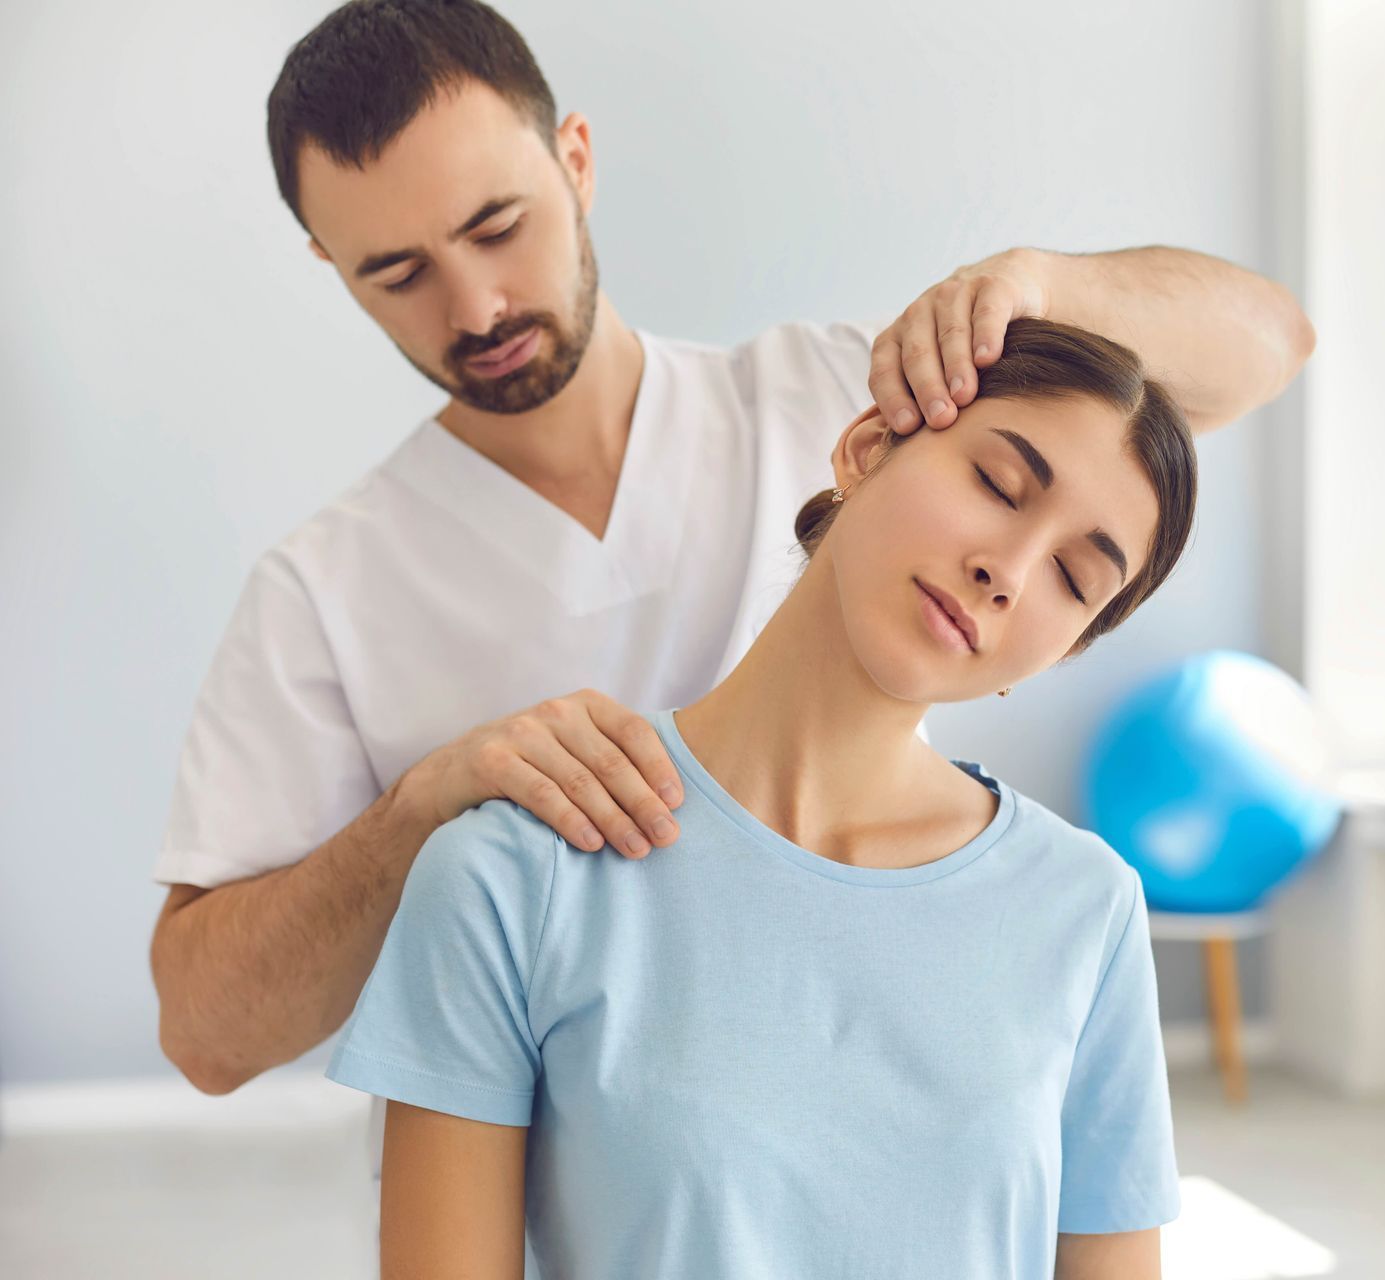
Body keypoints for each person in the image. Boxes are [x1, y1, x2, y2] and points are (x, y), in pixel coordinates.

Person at [148, 0, 1312, 1172]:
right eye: (397, 273)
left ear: (576, 160)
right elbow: (206, 1035)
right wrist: (419, 815)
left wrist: (1037, 284)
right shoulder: (324, 588)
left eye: (497, 226)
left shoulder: (844, 397)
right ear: (329, 266)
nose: (477, 308)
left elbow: (1264, 345)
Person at [326, 316, 1195, 1279]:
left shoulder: (1086, 911)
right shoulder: (516, 875)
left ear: (1061, 650)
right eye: (996, 484)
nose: (1009, 572)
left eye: (1073, 580)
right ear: (868, 449)